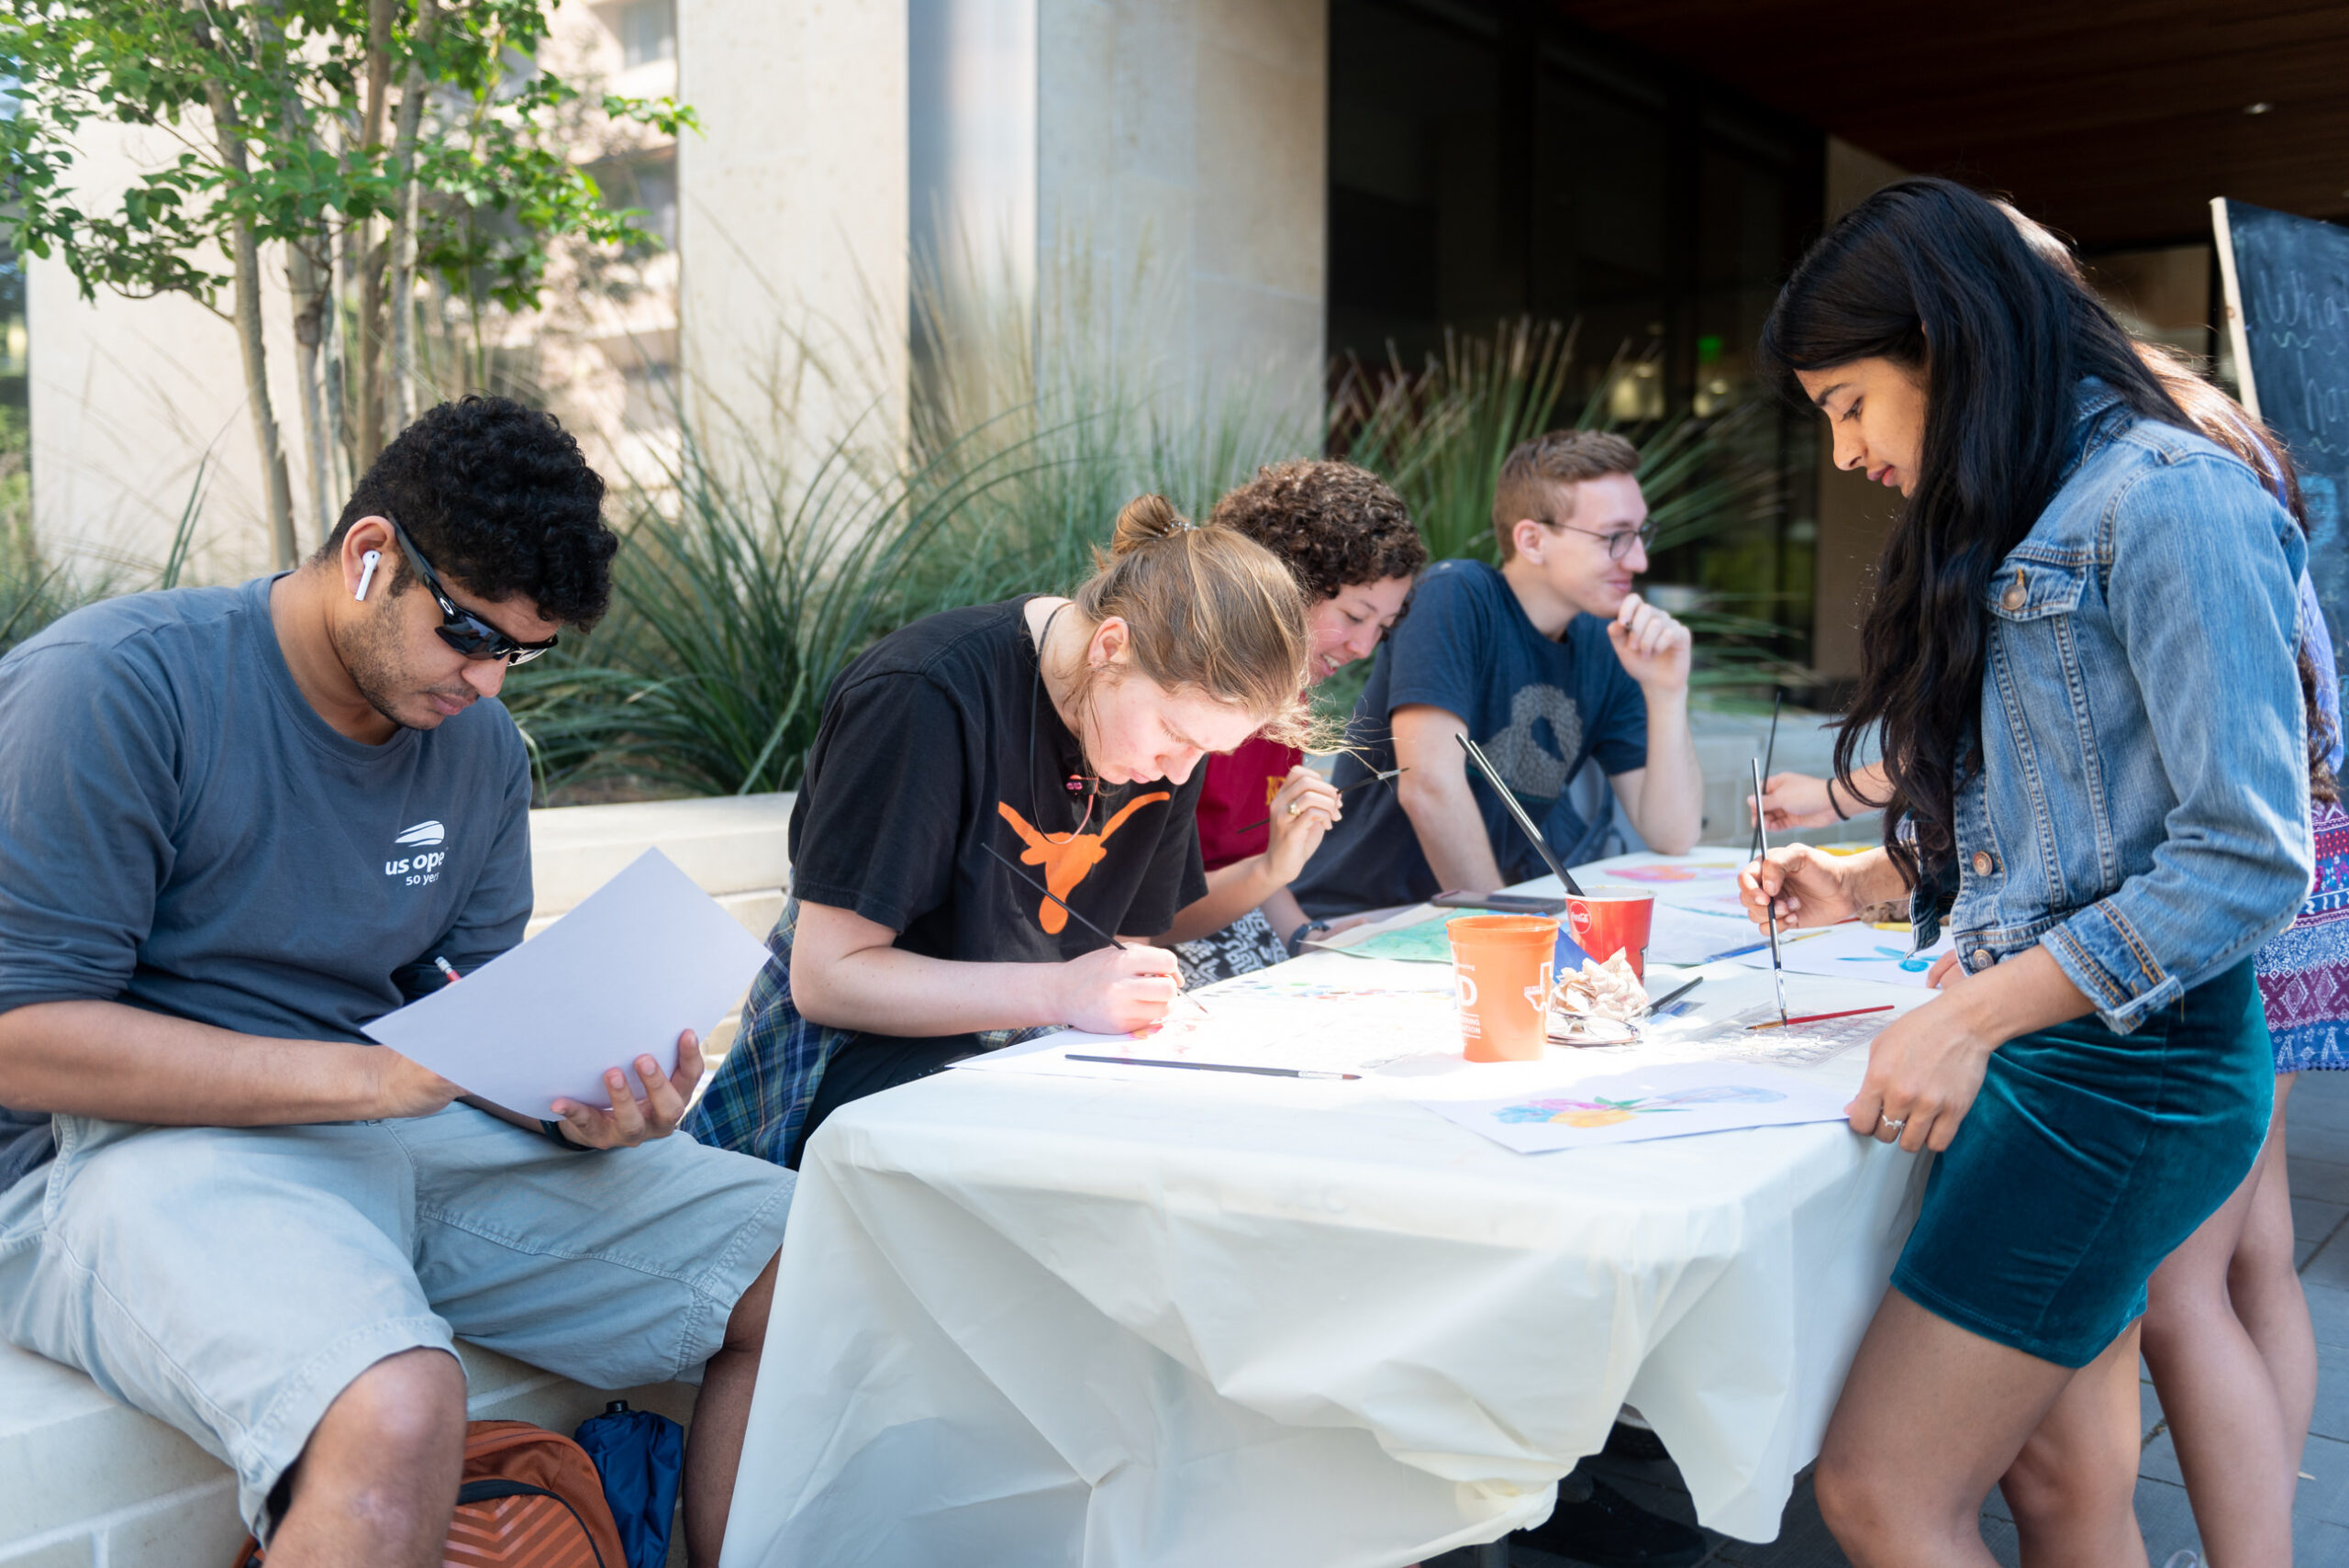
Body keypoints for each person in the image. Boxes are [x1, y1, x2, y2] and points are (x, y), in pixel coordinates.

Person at [0, 397, 795, 1567]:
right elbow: (24, 1036)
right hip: (117, 1150)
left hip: (395, 1136)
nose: (489, 682)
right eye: (470, 635)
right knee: (399, 1403)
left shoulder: (475, 752)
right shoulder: (115, 688)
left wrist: (588, 1101)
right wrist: (377, 1076)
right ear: (371, 555)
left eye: (524, 654)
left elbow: (464, 1016)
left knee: (818, 1263)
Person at [1753, 215, 2344, 1567]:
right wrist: (1862, 881)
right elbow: (2073, 829)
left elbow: (2249, 854)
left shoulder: (2175, 496)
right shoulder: (2045, 502)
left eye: (1849, 402)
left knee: (1881, 1489)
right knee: (2065, 1484)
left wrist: (1965, 1018)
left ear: (1945, 343)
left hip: (2126, 1083)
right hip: (2062, 1060)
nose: (1845, 451)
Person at [685, 495, 1326, 1171]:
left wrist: (1129, 995)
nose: (1178, 771)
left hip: (1032, 1059)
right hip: (845, 1074)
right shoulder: (922, 697)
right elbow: (827, 979)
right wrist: (1063, 992)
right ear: (1111, 646)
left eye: (1207, 751)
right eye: (1174, 735)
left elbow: (1120, 946)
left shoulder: (1166, 739)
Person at [1291, 430, 1704, 920]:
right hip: (1364, 921)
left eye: (1640, 534)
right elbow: (1428, 788)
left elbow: (1673, 833)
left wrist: (1666, 689)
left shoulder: (1604, 644)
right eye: (1615, 537)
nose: (1639, 559)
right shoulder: (1457, 596)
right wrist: (1506, 934)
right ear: (1531, 540)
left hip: (1462, 924)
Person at [1159, 461, 1428, 985]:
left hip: (1241, 925)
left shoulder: (1289, 696)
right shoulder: (1183, 694)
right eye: (1353, 616)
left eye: (1383, 628)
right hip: (1155, 948)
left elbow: (1255, 850)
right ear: (1285, 582)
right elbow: (1147, 916)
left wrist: (1305, 934)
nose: (1363, 647)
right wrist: (1272, 871)